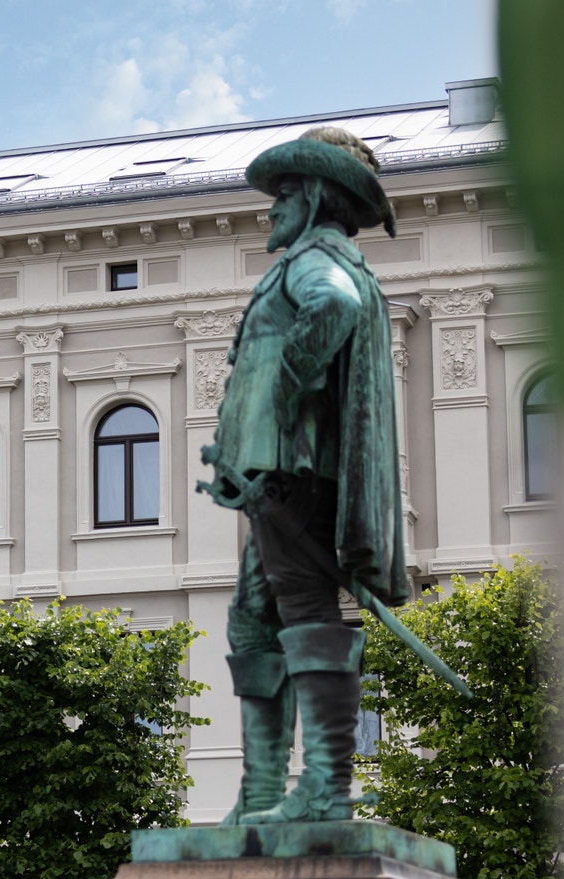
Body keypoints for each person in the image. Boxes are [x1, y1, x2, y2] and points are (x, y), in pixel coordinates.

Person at [198, 126, 409, 824]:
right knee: (252, 618)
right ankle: (263, 791)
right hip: (277, 477)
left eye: (286, 193)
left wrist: (284, 396)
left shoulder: (315, 260)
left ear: (316, 197)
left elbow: (334, 306)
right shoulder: (316, 259)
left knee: (304, 610)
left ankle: (324, 788)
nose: (273, 207)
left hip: (292, 475)